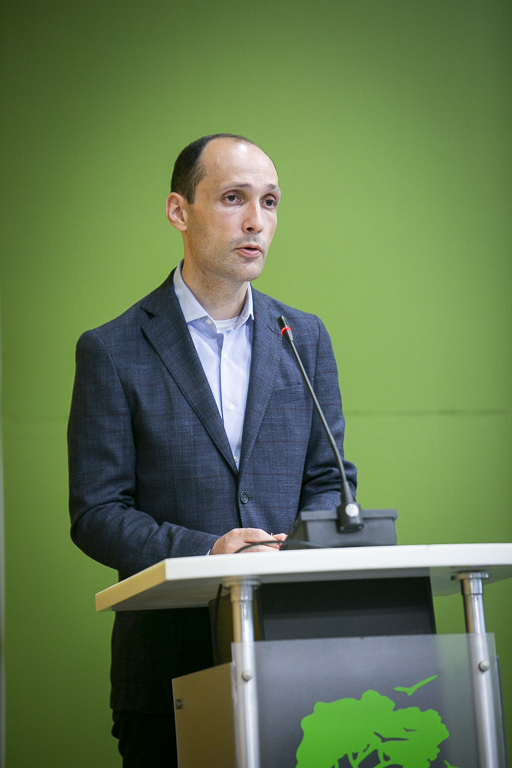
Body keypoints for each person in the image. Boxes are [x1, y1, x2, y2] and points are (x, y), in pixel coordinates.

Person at [68, 133, 357, 767]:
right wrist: (207, 553)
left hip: (299, 664)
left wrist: (296, 551)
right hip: (168, 672)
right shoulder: (113, 350)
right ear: (179, 211)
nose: (256, 221)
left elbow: (330, 482)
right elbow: (97, 513)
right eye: (233, 198)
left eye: (270, 202)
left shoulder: (303, 336)